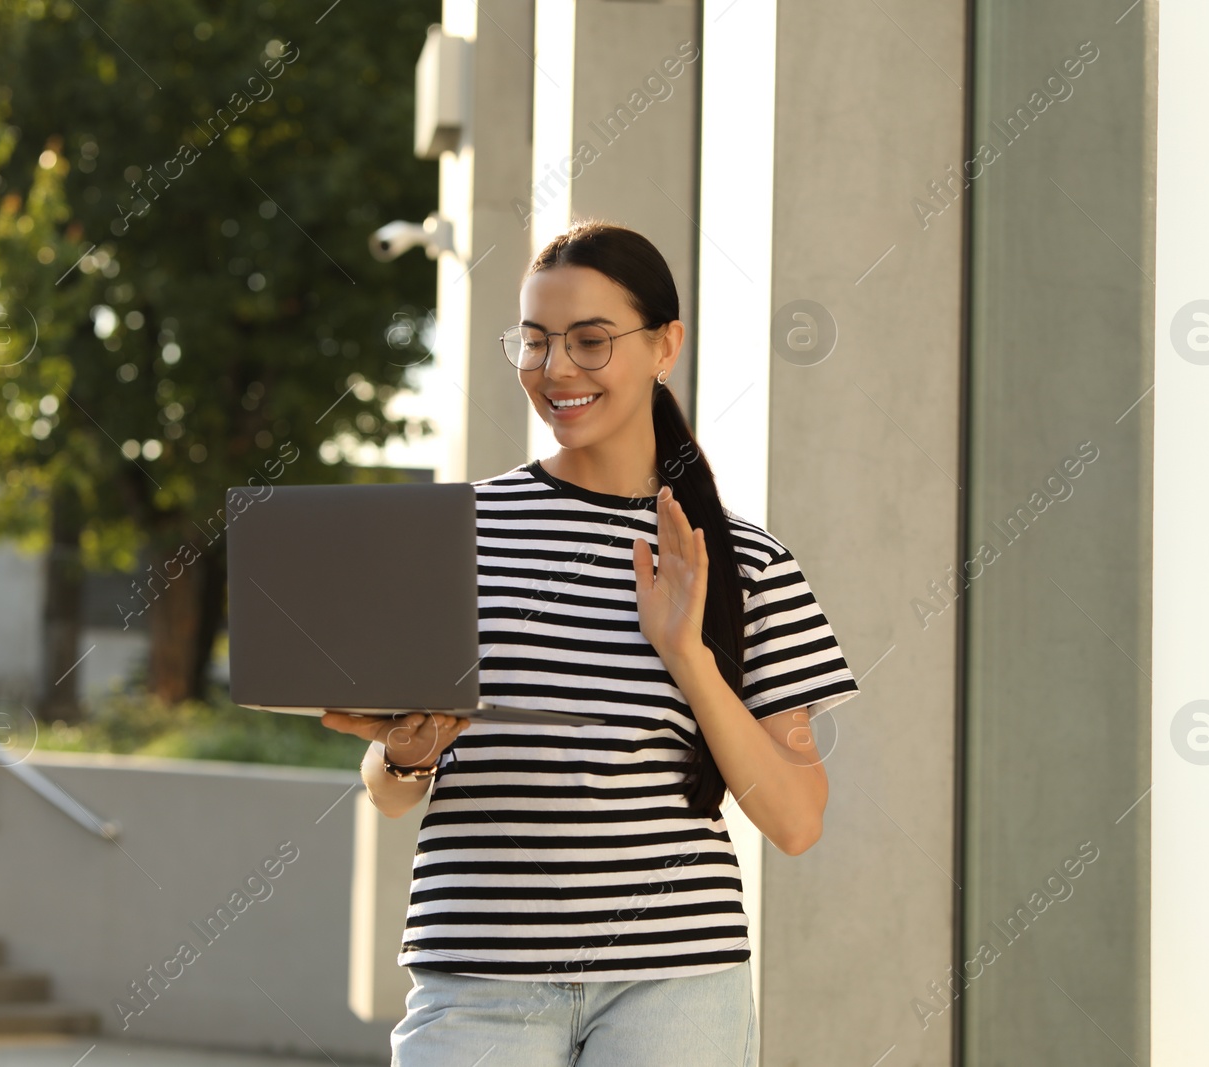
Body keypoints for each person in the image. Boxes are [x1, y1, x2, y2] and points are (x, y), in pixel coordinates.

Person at [321, 220, 859, 1067]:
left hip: (675, 986)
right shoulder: (451, 534)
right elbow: (391, 795)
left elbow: (795, 819)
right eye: (533, 343)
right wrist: (407, 754)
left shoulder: (748, 561)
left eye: (590, 341)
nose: (556, 369)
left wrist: (688, 654)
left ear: (664, 345)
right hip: (476, 975)